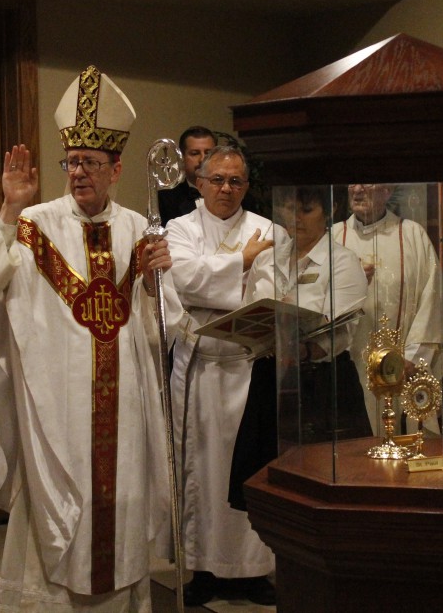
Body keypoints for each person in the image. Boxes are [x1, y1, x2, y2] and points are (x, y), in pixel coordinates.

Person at [0, 65, 181, 611]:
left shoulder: (138, 228)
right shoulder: (33, 223)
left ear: (117, 168)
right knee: (57, 512)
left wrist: (158, 280)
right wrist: (9, 209)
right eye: (72, 162)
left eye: (91, 163)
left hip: (123, 406)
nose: (79, 172)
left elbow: (164, 327)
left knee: (120, 508)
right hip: (55, 407)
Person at [163, 145, 277, 606]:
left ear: (247, 186)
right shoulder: (180, 228)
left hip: (249, 369)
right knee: (202, 472)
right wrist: (242, 264)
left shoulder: (267, 229)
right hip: (201, 370)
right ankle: (204, 569)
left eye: (236, 181)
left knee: (250, 467)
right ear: (200, 182)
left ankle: (253, 571)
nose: (226, 188)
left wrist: (216, 291)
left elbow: (269, 292)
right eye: (217, 180)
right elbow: (182, 279)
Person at [228, 186, 369, 510]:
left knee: (325, 489)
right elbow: (251, 308)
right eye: (290, 209)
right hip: (271, 377)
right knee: (270, 489)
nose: (296, 218)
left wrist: (302, 347)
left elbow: (342, 329)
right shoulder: (267, 258)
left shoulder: (343, 262)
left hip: (321, 382)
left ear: (328, 212)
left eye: (306, 210)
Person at [331, 183, 443, 434]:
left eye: (367, 183)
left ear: (388, 191)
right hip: (349, 368)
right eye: (353, 183)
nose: (358, 190)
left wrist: (413, 358)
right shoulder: (334, 237)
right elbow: (318, 303)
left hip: (405, 365)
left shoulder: (412, 235)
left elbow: (432, 300)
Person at [158, 126, 216, 225]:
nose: (202, 159)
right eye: (195, 153)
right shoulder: (166, 200)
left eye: (208, 153)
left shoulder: (237, 196)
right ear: (182, 158)